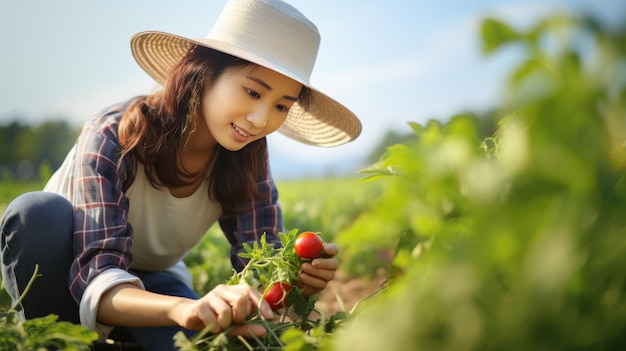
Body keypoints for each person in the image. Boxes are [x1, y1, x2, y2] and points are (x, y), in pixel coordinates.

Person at [0, 0, 361, 349]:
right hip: (61, 268)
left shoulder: (248, 155)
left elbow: (260, 265)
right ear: (203, 73)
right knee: (37, 212)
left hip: (152, 282)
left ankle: (122, 337)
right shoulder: (113, 135)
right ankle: (63, 337)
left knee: (199, 342)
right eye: (253, 92)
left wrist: (294, 281)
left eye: (282, 105)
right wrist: (182, 309)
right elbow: (99, 276)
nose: (261, 120)